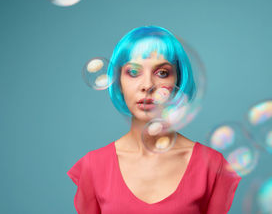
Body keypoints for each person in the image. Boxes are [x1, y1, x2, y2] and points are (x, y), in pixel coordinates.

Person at [67, 26, 241, 214]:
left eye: (162, 73)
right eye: (133, 72)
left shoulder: (212, 165)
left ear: (178, 82)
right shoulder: (93, 167)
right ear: (118, 82)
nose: (148, 85)